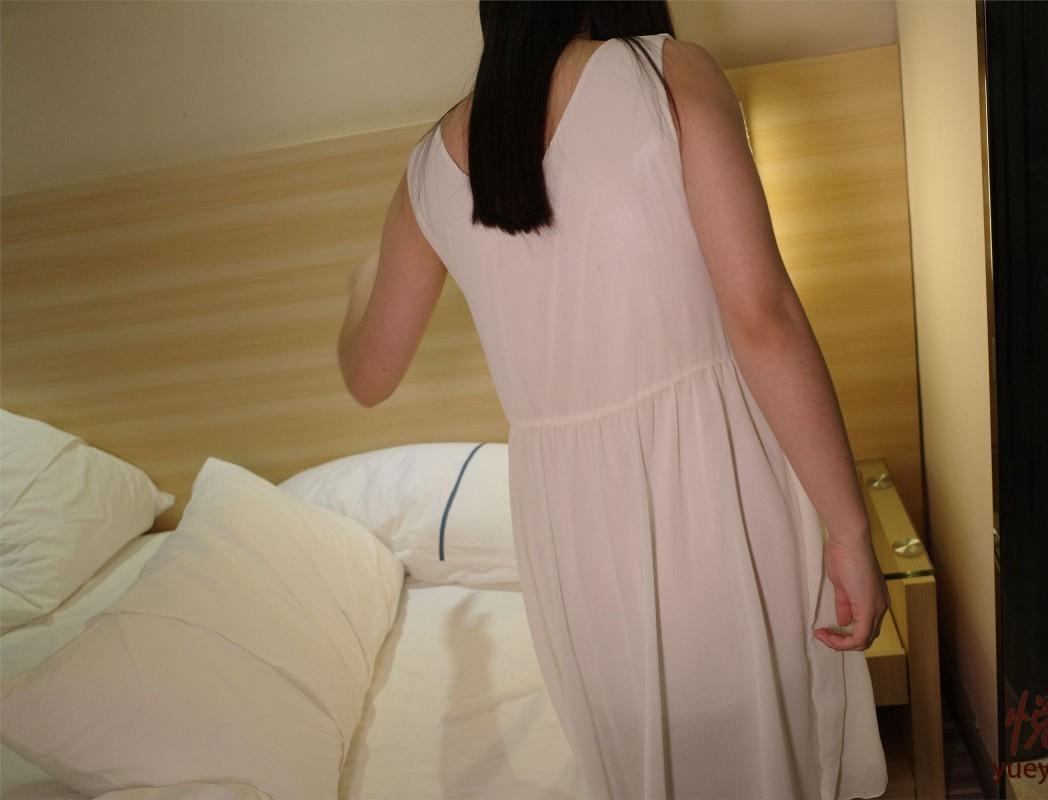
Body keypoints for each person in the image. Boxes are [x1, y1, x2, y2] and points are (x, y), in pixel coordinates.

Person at [338, 2, 890, 798]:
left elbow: (369, 376)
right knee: (768, 746)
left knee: (654, 763)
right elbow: (761, 317)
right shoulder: (666, 73)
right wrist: (849, 527)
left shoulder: (428, 167)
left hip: (573, 533)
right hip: (715, 484)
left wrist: (359, 290)